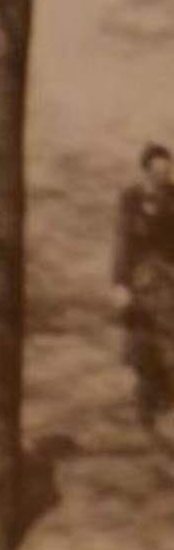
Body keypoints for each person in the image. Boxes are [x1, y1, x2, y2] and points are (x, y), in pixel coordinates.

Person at [115, 144, 174, 439]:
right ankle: (146, 402)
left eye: (167, 170)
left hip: (170, 278)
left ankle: (166, 402)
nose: (164, 175)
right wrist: (120, 284)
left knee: (169, 337)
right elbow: (123, 242)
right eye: (157, 171)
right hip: (142, 280)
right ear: (146, 171)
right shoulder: (131, 199)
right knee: (143, 339)